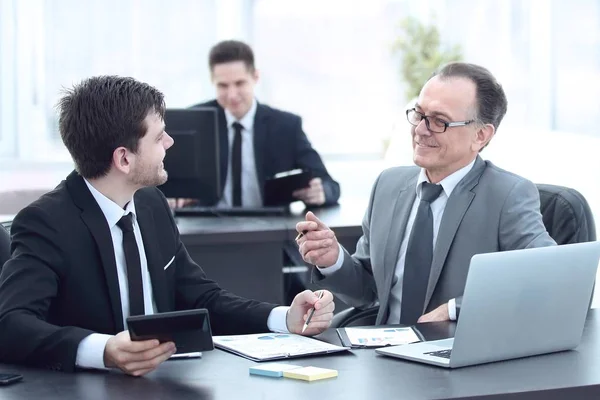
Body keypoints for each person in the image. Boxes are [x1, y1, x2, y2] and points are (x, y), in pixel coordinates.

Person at [0, 76, 335, 376]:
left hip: (167, 383)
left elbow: (201, 297)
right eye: (159, 137)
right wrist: (103, 351)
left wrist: (283, 318)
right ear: (124, 159)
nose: (170, 143)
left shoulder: (151, 203)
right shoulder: (46, 222)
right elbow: (11, 324)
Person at [296, 62, 555, 326]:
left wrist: (456, 309)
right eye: (419, 115)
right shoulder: (388, 185)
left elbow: (548, 274)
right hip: (383, 351)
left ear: (480, 135)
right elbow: (367, 291)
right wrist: (333, 260)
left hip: (456, 356)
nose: (420, 129)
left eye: (439, 121)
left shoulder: (507, 195)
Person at [174, 39, 340, 208]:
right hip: (207, 227)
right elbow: (168, 181)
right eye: (223, 86)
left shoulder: (286, 126)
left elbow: (330, 185)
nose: (232, 95)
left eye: (240, 83)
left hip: (268, 228)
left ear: (255, 77)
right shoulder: (195, 121)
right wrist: (174, 196)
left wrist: (322, 192)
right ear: (212, 82)